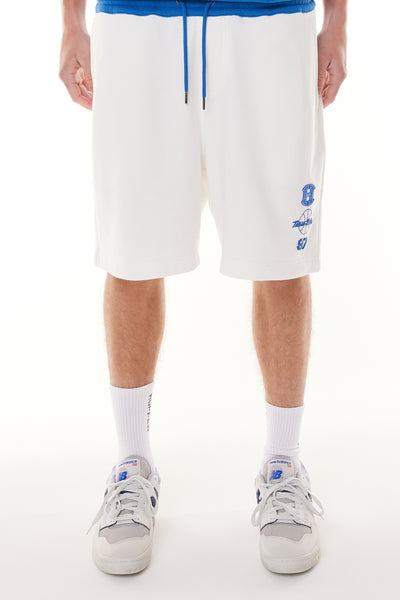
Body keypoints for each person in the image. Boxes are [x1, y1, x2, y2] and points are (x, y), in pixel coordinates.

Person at [59, 0, 347, 576]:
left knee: (279, 255)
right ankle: (132, 465)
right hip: (138, 27)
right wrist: (70, 22)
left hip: (268, 24)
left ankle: (283, 465)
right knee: (132, 253)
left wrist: (336, 22)